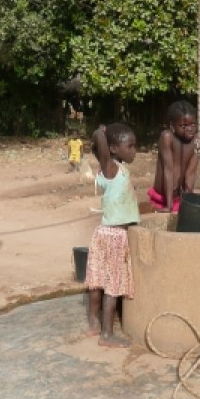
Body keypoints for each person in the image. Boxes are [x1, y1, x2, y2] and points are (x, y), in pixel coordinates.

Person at [86, 123, 139, 348]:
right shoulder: (111, 168)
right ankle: (107, 335)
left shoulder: (112, 169)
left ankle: (94, 323)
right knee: (112, 286)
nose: (134, 150)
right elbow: (102, 149)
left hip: (102, 233)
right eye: (130, 146)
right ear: (114, 149)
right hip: (116, 235)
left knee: (97, 281)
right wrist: (101, 133)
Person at [148, 100, 200, 213]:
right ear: (172, 126)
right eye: (183, 125)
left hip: (179, 198)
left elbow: (190, 174)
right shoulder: (167, 137)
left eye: (193, 124)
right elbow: (168, 169)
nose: (189, 129)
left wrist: (188, 202)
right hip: (161, 197)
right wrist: (169, 205)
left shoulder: (197, 140)